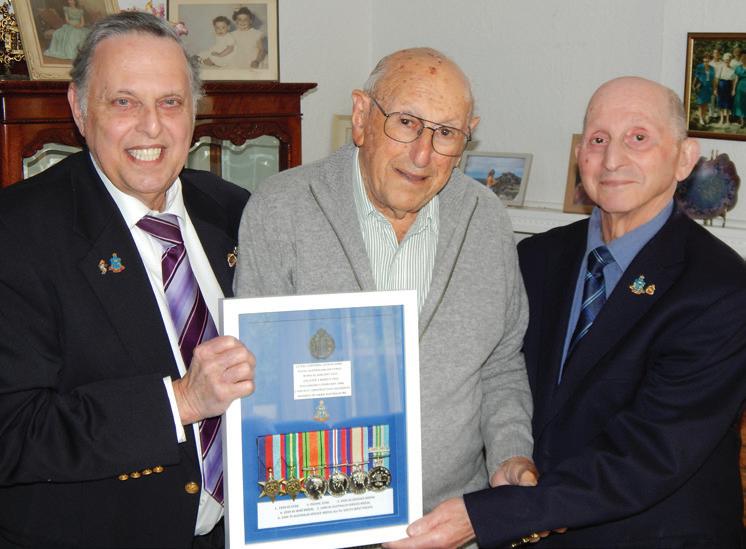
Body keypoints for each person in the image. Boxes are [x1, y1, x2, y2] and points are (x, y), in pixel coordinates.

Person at [386, 76, 746, 548]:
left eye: (638, 138)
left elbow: (650, 455)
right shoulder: (535, 257)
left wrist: (491, 515)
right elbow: (494, 375)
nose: (612, 159)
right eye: (598, 140)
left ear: (684, 158)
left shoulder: (721, 289)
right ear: (580, 155)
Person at [234, 47, 535, 517]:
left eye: (446, 133)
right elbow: (258, 378)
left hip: (451, 521)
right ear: (361, 116)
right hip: (321, 517)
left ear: (467, 138)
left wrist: (510, 454)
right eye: (406, 122)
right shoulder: (281, 209)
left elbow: (501, 364)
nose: (422, 154)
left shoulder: (486, 220)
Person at [0, 12, 255, 549]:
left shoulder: (236, 211)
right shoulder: (18, 233)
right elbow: (13, 431)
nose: (152, 127)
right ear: (78, 108)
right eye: (124, 102)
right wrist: (179, 402)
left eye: (171, 102)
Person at [692, 52, 715, 125]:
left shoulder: (712, 68)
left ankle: (704, 117)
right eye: (705, 59)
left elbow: (713, 79)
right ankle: (700, 119)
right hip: (701, 87)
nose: (706, 60)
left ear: (709, 60)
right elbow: (696, 76)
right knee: (700, 103)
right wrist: (693, 85)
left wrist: (714, 89)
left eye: (708, 59)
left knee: (706, 104)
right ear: (703, 59)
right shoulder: (699, 67)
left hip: (708, 87)